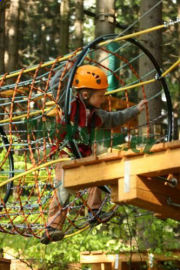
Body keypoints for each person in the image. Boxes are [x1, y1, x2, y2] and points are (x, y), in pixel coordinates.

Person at [40, 64, 147, 244]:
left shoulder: (98, 114)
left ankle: (94, 212)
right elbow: (54, 85)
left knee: (96, 175)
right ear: (85, 94)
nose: (103, 99)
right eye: (100, 96)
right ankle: (52, 228)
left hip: (83, 156)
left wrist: (135, 110)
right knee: (64, 189)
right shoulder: (69, 104)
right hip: (65, 154)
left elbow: (115, 118)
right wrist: (67, 68)